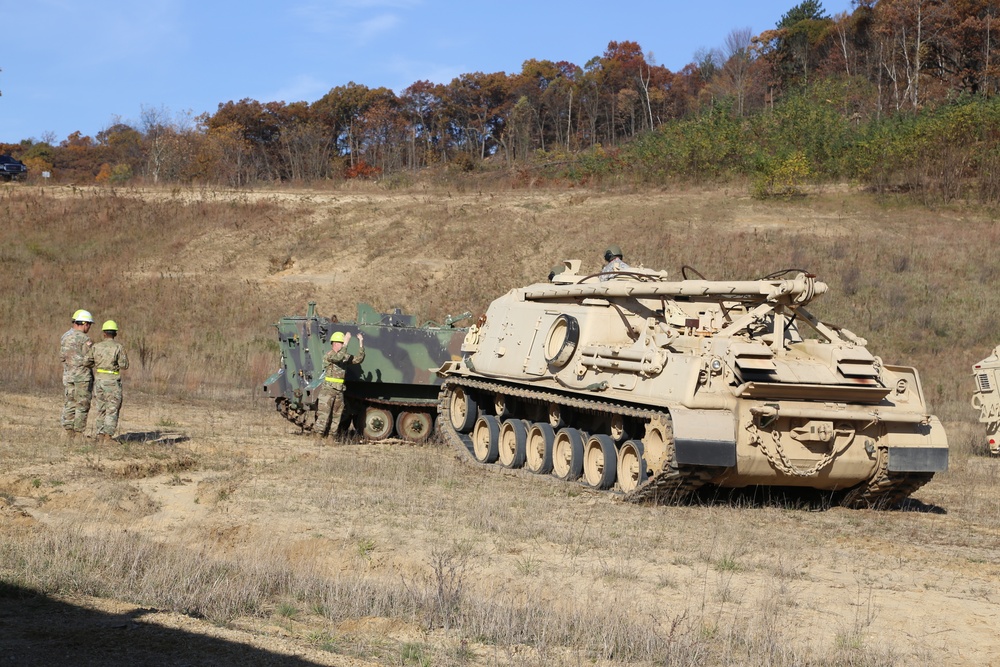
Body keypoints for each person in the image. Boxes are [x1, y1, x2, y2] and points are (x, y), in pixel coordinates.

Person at [315, 330, 365, 438]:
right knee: (324, 415)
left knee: (336, 416)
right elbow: (338, 357)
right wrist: (346, 342)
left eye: (343, 343)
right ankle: (318, 436)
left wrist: (361, 343)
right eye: (341, 343)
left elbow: (358, 359)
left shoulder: (344, 357)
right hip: (328, 390)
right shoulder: (329, 355)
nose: (343, 345)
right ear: (336, 343)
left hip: (339, 391)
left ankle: (331, 437)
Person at [88, 320, 129, 445]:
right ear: (115, 333)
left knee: (101, 409)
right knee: (112, 409)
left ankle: (100, 435)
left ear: (104, 333)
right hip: (112, 382)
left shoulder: (96, 346)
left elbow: (87, 361)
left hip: (99, 380)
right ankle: (108, 438)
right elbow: (124, 365)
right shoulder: (118, 347)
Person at [60, 309, 94, 440]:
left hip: (68, 375)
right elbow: (90, 359)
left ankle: (67, 432)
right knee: (82, 404)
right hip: (82, 378)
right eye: (89, 324)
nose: (89, 327)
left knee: (69, 402)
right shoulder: (85, 339)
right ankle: (79, 434)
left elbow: (62, 357)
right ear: (84, 323)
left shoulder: (64, 336)